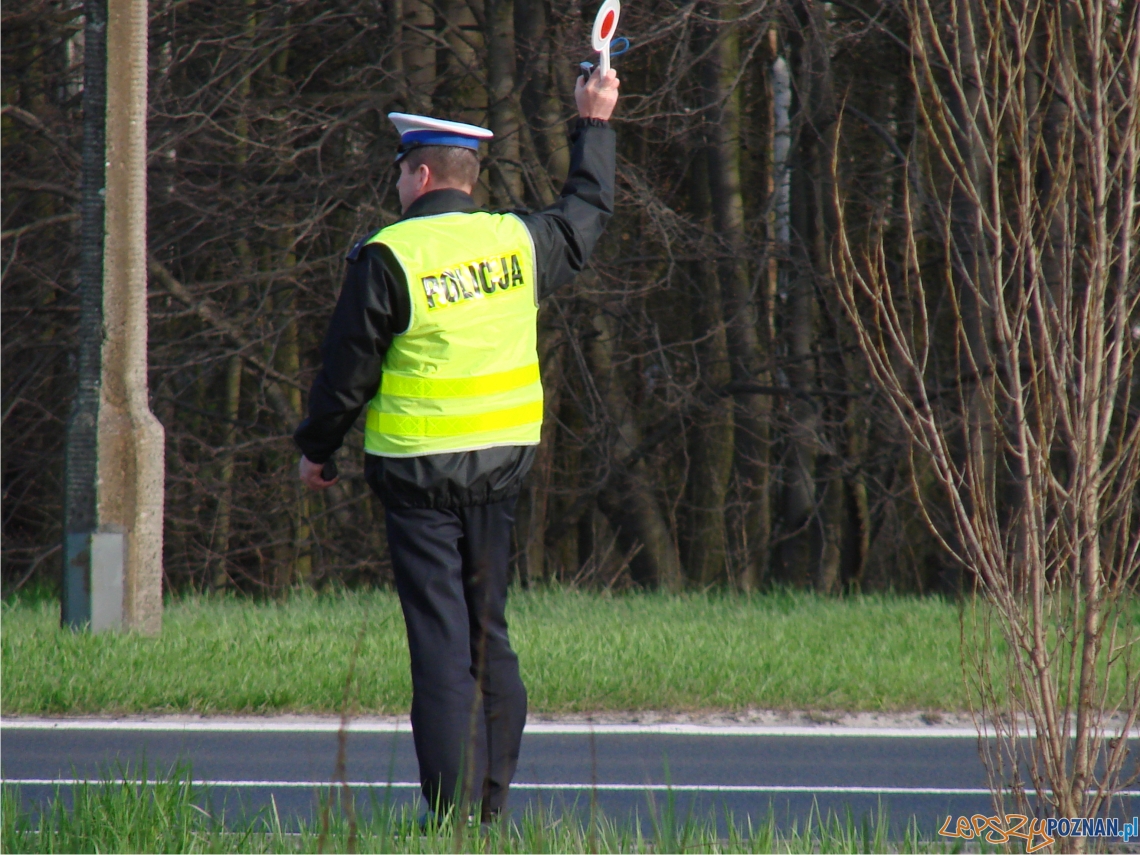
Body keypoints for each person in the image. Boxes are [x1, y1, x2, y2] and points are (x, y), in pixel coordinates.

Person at [293, 67, 619, 821]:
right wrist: (593, 122)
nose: (398, 185)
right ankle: (491, 806)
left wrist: (319, 447)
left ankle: (449, 815)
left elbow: (347, 371)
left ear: (424, 173)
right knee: (487, 633)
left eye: (401, 171)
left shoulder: (389, 255)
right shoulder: (516, 241)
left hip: (415, 478)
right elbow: (587, 211)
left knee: (441, 646)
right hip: (501, 471)